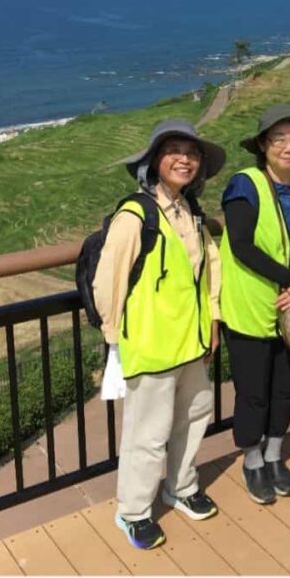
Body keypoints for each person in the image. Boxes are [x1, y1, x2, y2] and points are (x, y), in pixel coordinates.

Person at [94, 119, 226, 550]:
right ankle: (133, 511)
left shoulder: (191, 211)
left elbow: (208, 273)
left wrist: (213, 322)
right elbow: (108, 282)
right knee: (147, 434)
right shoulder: (135, 215)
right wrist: (116, 341)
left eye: (191, 153)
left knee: (195, 415)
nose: (184, 159)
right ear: (154, 162)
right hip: (151, 344)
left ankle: (181, 485)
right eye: (173, 150)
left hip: (191, 341)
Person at [219, 104, 290, 504]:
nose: (289, 146)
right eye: (279, 138)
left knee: (284, 388)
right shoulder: (244, 185)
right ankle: (251, 460)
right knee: (253, 392)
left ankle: (275, 455)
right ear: (263, 145)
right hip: (251, 307)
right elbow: (241, 245)